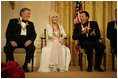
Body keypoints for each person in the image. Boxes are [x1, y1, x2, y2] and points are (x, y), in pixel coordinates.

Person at [4, 8, 37, 72]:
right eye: (28, 13)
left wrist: (30, 41)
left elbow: (34, 34)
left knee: (32, 47)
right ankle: (13, 65)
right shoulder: (12, 21)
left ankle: (25, 65)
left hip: (25, 42)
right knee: (7, 48)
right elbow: (8, 33)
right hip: (14, 41)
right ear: (22, 13)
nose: (29, 15)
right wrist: (11, 41)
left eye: (29, 14)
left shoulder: (31, 24)